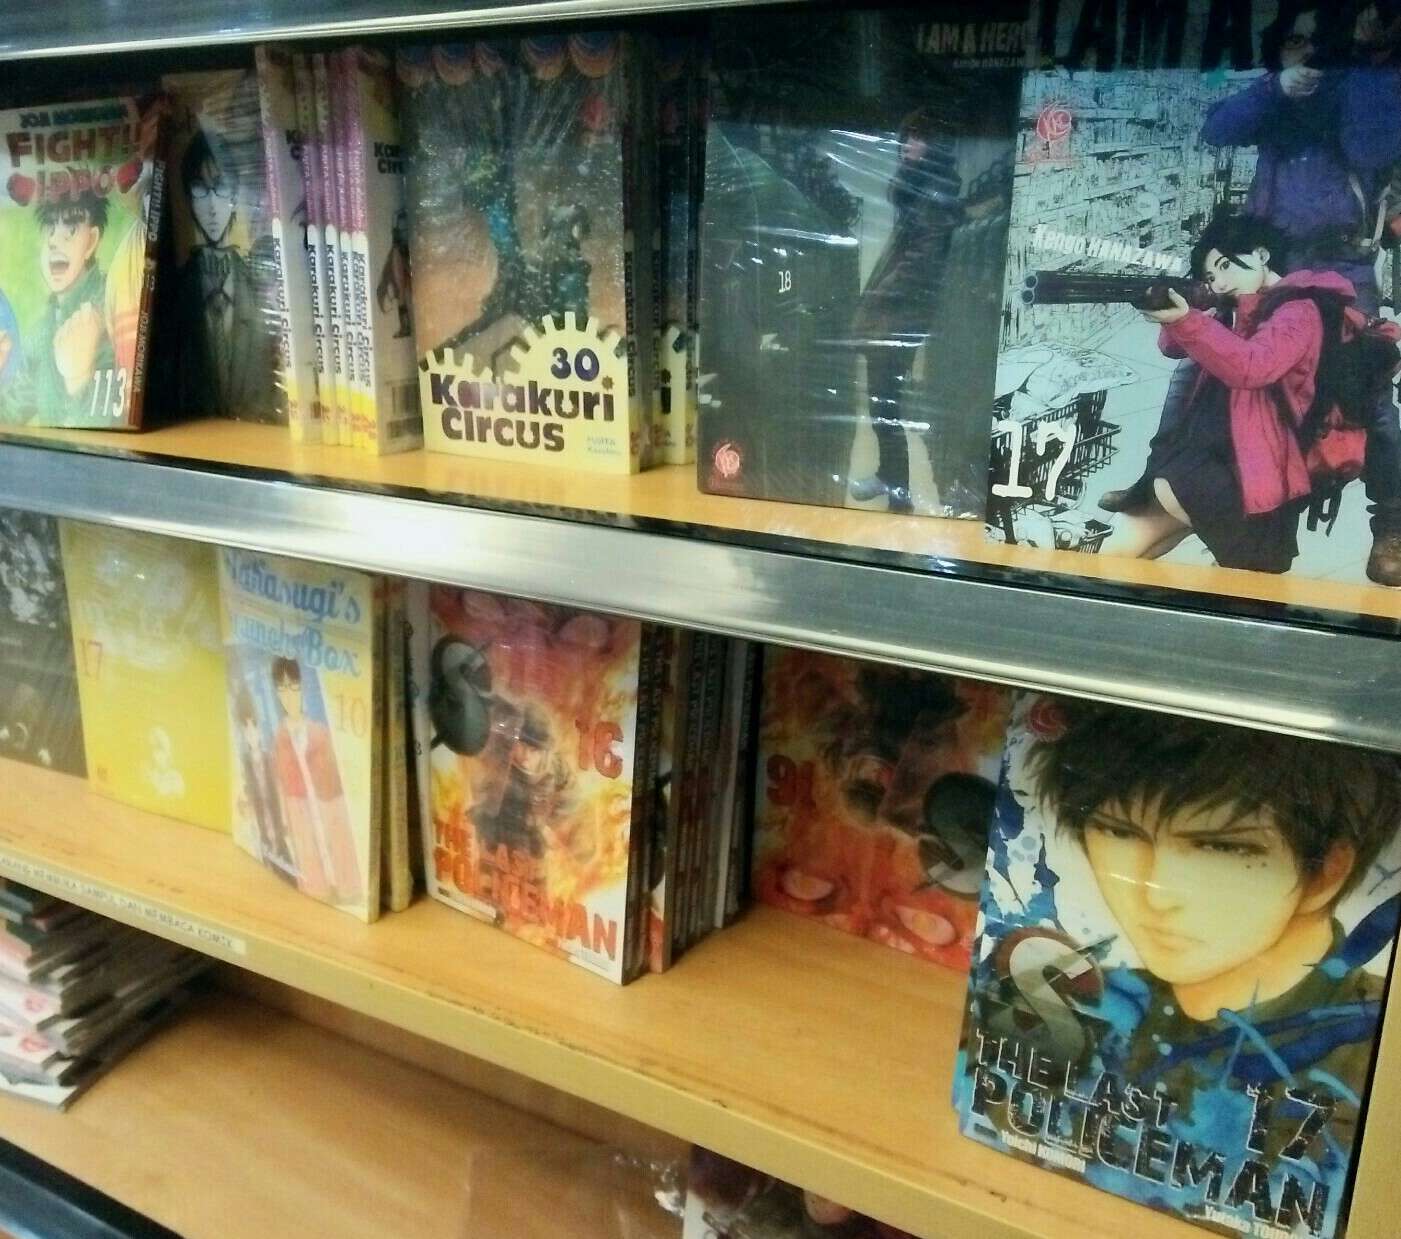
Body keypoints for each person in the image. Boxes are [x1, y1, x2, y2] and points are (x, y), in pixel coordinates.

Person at [1104, 5, 1401, 584]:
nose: (1308, 53)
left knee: (1368, 397)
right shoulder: (1276, 97)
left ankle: (1391, 522)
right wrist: (1277, 87)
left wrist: (1339, 81)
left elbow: (1371, 147)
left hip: (1340, 261)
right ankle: (1156, 480)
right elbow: (1218, 128)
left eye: (1319, 42)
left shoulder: (1364, 88)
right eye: (1294, 42)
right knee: (1193, 370)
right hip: (1262, 264)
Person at [1027, 698, 1401, 1137]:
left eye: (1220, 847)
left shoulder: (1376, 1051)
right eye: (1119, 832)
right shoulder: (1076, 1003)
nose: (1155, 893)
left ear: (1326, 872)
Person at [1100, 213, 1350, 573]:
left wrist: (1187, 321)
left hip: (1249, 473)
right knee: (1112, 560)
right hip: (1207, 465)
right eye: (1211, 276)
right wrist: (1179, 311)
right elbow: (1173, 348)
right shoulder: (1237, 308)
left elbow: (1253, 366)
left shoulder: (1298, 311)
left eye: (1225, 266)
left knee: (1249, 584)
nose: (1220, 282)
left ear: (1261, 255)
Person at [848, 109, 967, 515]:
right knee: (882, 406)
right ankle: (889, 477)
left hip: (900, 318)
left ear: (935, 146)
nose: (907, 146)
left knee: (885, 407)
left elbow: (922, 263)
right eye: (906, 137)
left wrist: (878, 295)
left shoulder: (934, 194)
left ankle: (899, 496)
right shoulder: (922, 192)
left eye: (918, 138)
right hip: (897, 315)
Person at [170, 127, 278, 420]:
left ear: (236, 194)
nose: (212, 205)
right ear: (187, 197)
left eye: (221, 188)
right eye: (199, 190)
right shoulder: (175, 291)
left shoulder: (260, 287)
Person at [0, 191, 113, 425]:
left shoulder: (114, 304)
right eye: (50, 230)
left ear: (91, 242)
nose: (53, 242)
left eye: (70, 230)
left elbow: (116, 428)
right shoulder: (40, 335)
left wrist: (79, 380)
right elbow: (9, 415)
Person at [269, 657, 361, 906]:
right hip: (300, 810)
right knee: (309, 853)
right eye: (283, 689)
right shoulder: (279, 739)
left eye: (294, 687)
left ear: (302, 688)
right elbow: (280, 783)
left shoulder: (320, 732)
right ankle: (319, 889)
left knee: (338, 847)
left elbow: (338, 777)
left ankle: (347, 888)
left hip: (327, 805)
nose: (289, 696)